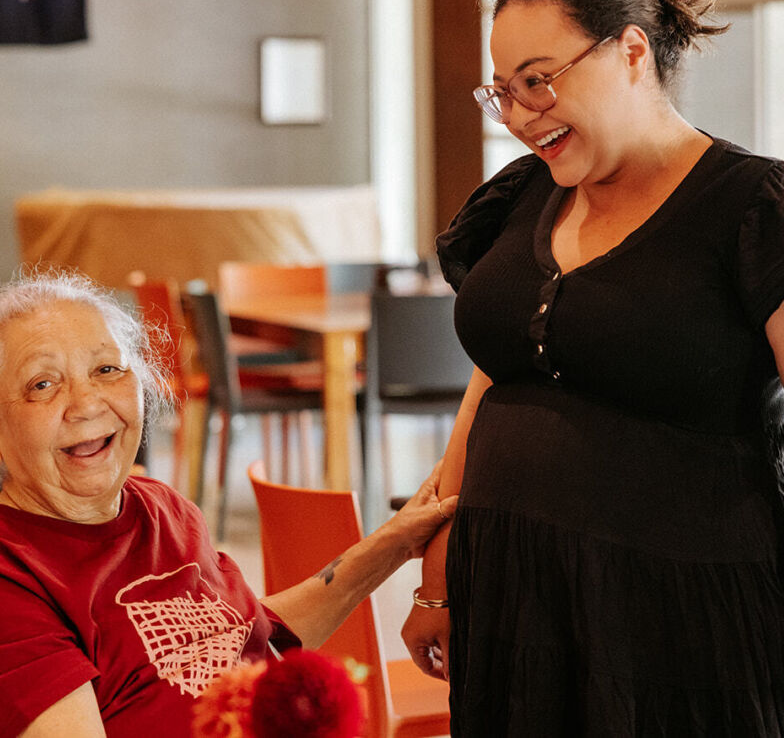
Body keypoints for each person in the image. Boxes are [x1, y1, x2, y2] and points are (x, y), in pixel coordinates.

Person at [401, 0, 784, 737]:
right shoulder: (522, 198)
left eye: (539, 82)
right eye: (503, 91)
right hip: (515, 598)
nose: (519, 115)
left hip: (689, 617)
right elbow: (493, 383)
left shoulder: (769, 212)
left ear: (632, 51)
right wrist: (438, 574)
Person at [0, 270, 457, 738]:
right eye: (42, 384)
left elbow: (250, 633)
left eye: (106, 369)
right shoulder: (12, 575)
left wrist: (396, 542)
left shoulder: (163, 508)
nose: (87, 404)